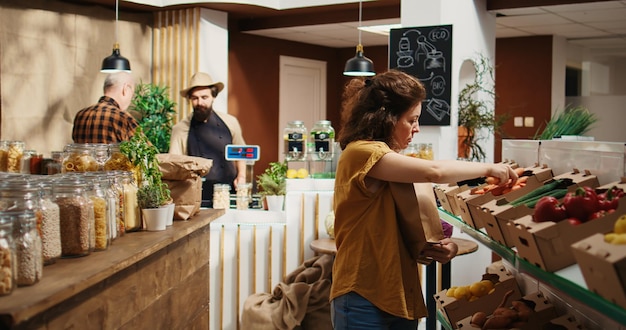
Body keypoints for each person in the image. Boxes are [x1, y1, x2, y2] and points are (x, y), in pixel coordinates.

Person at [330, 70, 518, 329]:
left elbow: (391, 230)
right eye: (412, 119)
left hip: (398, 294)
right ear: (386, 117)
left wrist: (436, 247)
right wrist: (488, 168)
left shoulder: (388, 160)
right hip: (363, 294)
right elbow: (435, 172)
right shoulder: (360, 152)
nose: (417, 128)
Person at [170, 72, 247, 207]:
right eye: (195, 98)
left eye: (204, 97)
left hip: (227, 192)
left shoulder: (230, 122)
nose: (200, 102)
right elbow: (175, 165)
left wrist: (242, 176)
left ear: (213, 97)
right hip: (196, 196)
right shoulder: (180, 129)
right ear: (190, 100)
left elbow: (241, 152)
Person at [72, 72, 138, 143]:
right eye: (132, 94)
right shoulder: (123, 118)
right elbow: (147, 152)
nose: (131, 99)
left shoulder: (80, 115)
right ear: (125, 89)